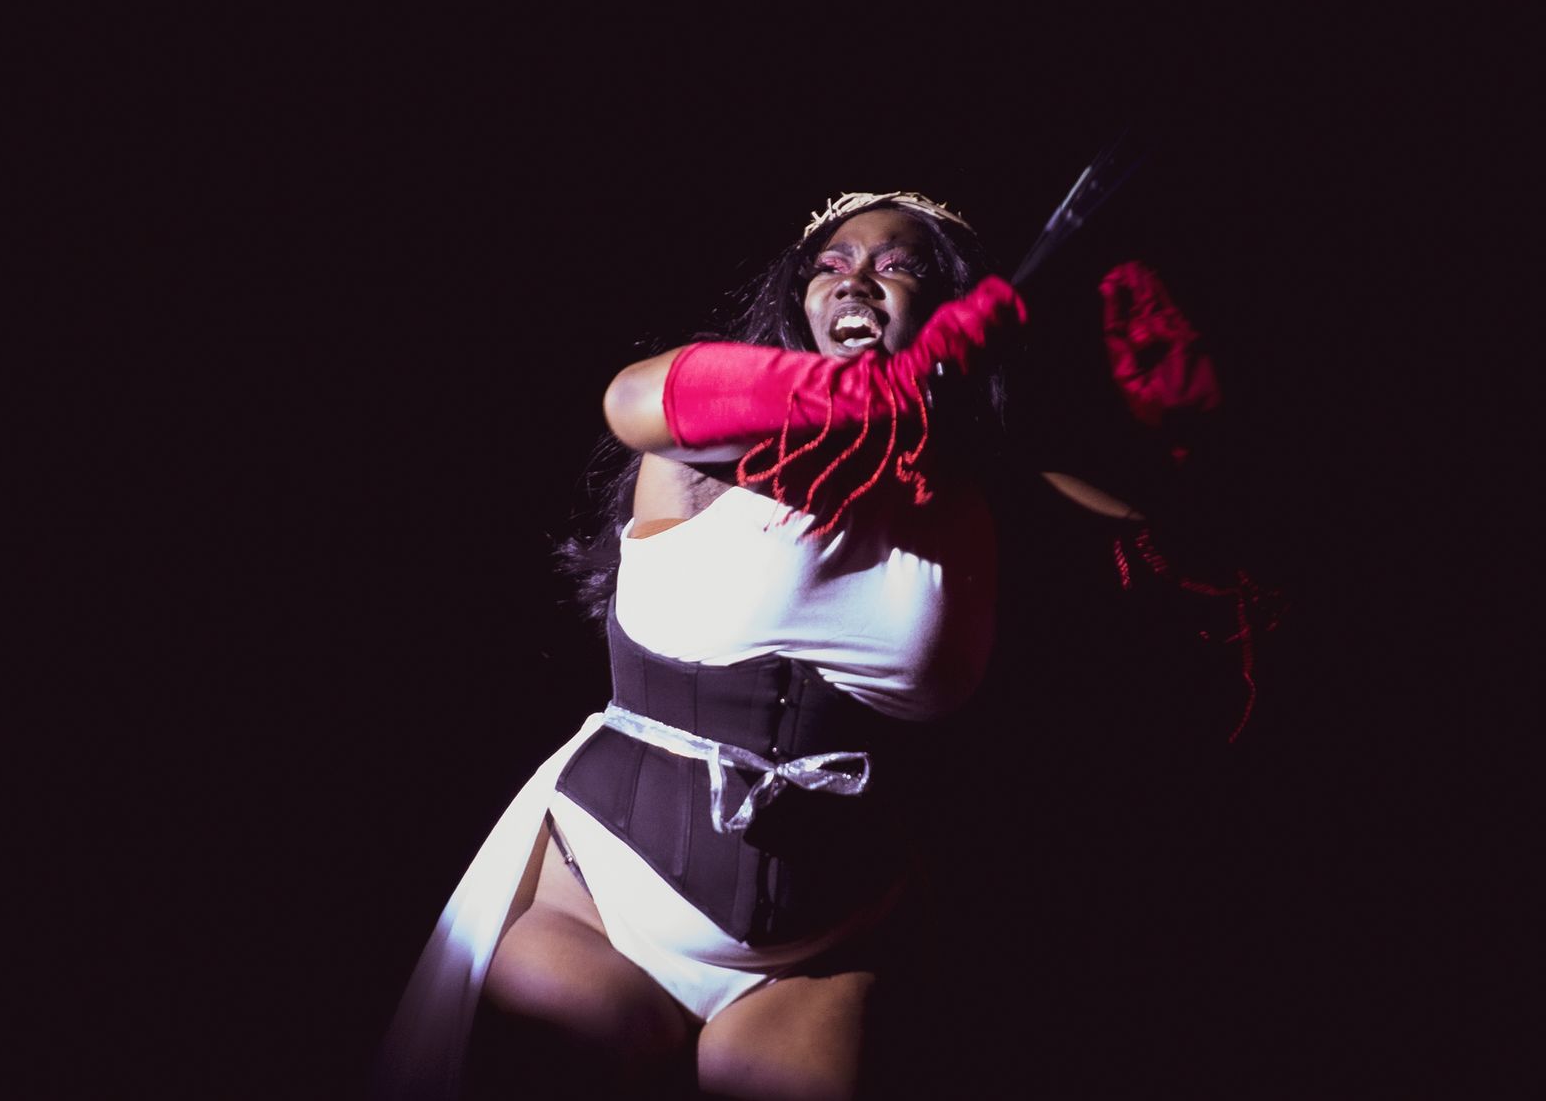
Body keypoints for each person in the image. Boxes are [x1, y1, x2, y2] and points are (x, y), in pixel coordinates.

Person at [373, 189, 1243, 1100]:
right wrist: (869, 396)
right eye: (830, 263)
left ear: (952, 307)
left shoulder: (988, 499)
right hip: (602, 898)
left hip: (820, 954)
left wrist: (1192, 450)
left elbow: (1197, 571)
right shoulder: (709, 444)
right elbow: (630, 396)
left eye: (898, 264)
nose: (856, 277)